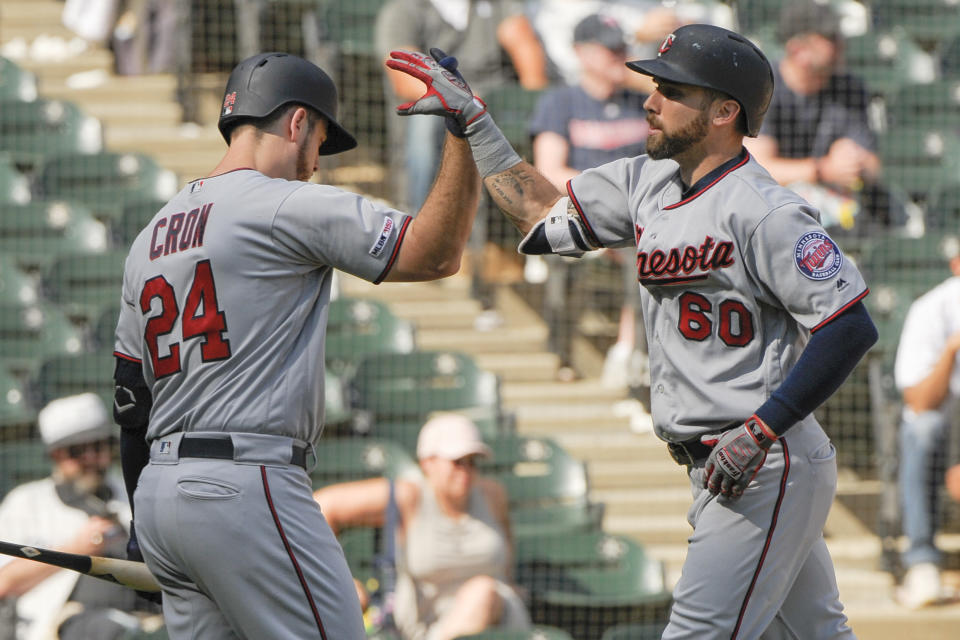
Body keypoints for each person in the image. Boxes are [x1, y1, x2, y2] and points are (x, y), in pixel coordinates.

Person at [387, 23, 879, 638]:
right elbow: (541, 216)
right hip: (726, 457)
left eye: (672, 89)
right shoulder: (647, 183)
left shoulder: (766, 211)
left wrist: (760, 430)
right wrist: (477, 126)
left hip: (761, 458)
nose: (650, 99)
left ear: (726, 111)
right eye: (654, 84)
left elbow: (850, 325)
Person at [112, 51, 482, 639]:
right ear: (296, 123)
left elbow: (132, 402)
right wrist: (465, 135)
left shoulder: (150, 236)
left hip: (161, 492)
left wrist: (142, 517)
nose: (315, 165)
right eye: (320, 141)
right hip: (244, 487)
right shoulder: (284, 204)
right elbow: (437, 253)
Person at [314, 413, 530, 640]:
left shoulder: (492, 494)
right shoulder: (408, 495)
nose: (466, 471)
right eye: (457, 462)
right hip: (421, 630)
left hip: (497, 620)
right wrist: (340, 582)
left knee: (483, 591)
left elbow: (507, 546)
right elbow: (323, 506)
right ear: (428, 463)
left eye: (472, 462)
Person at [528, 12, 650, 384]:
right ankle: (563, 353)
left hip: (637, 217)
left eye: (622, 48)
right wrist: (610, 194)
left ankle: (631, 352)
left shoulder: (644, 103)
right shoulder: (560, 102)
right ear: (581, 53)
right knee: (567, 260)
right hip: (579, 212)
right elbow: (549, 171)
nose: (619, 56)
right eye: (609, 50)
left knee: (647, 253)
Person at [0, 393, 161, 640]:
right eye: (77, 451)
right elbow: (3, 582)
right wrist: (77, 548)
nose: (91, 458)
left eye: (98, 446)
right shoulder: (26, 502)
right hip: (64, 621)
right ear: (56, 455)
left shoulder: (133, 492)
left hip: (143, 615)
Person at [375, 0, 549, 213]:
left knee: (543, 118)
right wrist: (462, 100)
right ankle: (416, 219)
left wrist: (532, 103)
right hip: (437, 104)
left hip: (489, 103)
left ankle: (533, 216)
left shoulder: (497, 6)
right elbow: (404, 77)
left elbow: (528, 56)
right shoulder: (404, 9)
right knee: (424, 122)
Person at [743, 1, 893, 236]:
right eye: (829, 38)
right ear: (797, 48)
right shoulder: (765, 86)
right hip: (775, 211)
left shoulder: (849, 87)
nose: (841, 43)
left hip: (840, 207)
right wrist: (823, 169)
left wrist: (857, 161)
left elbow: (875, 167)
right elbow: (758, 170)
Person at [892, 244, 960, 609]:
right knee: (921, 428)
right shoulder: (932, 308)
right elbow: (918, 402)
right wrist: (951, 350)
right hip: (945, 420)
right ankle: (922, 564)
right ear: (956, 265)